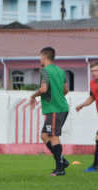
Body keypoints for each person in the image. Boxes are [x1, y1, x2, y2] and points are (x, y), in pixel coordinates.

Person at [29, 47, 69, 176]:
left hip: (55, 109)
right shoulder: (60, 71)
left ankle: (60, 169)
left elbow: (44, 88)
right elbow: (66, 89)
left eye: (40, 56)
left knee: (53, 136)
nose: (40, 59)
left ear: (45, 56)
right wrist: (58, 97)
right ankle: (62, 160)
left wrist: (33, 95)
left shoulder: (45, 70)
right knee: (45, 135)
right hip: (61, 107)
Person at [75, 61, 98, 172]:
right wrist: (82, 105)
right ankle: (94, 166)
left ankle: (94, 166)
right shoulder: (92, 84)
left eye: (96, 70)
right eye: (92, 71)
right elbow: (92, 98)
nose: (94, 73)